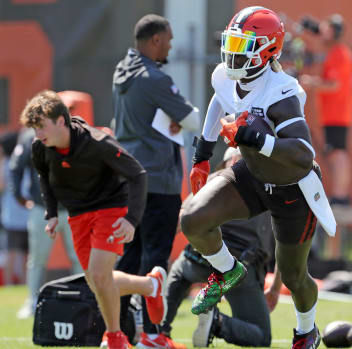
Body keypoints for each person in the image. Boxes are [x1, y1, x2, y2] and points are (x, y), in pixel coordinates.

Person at [181, 6, 336, 349]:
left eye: (244, 44)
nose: (234, 52)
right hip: (251, 175)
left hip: (292, 187)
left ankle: (306, 330)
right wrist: (202, 157)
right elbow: (218, 103)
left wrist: (254, 137)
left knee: (294, 277)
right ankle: (227, 270)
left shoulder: (282, 91)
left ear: (268, 50)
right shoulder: (224, 75)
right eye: (233, 42)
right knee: (192, 219)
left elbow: (302, 152)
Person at [23, 90, 167, 349]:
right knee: (96, 281)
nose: (38, 135)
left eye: (41, 127)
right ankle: (150, 285)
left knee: (100, 276)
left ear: (60, 121)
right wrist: (52, 213)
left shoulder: (97, 142)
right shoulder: (40, 147)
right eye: (34, 129)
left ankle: (114, 337)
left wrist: (132, 220)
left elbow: (138, 174)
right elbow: (44, 176)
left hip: (109, 208)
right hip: (78, 215)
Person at [112, 13, 201, 346]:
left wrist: (167, 117)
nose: (171, 45)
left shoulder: (121, 72)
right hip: (158, 180)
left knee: (129, 257)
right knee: (155, 258)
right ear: (155, 41)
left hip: (127, 179)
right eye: (168, 39)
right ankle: (152, 334)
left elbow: (142, 116)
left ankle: (117, 331)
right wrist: (178, 117)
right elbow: (193, 119)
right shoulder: (155, 79)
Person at [160, 147, 282, 349]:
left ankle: (157, 328)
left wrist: (154, 252)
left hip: (198, 260)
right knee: (261, 337)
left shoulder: (213, 180)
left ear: (231, 160)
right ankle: (218, 322)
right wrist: (276, 289)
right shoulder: (272, 189)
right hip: (240, 269)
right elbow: (284, 247)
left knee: (181, 268)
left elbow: (183, 217)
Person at [9, 127, 83, 319]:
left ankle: (85, 299)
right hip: (42, 207)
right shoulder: (29, 137)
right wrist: (19, 195)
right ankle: (32, 301)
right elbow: (16, 166)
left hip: (71, 208)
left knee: (79, 257)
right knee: (38, 258)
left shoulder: (73, 132)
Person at [300, 14, 352, 205]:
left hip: (337, 113)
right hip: (333, 114)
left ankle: (341, 195)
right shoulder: (335, 51)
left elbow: (334, 84)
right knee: (336, 153)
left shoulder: (339, 53)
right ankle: (340, 194)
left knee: (338, 154)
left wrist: (311, 83)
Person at [0, 132, 28, 286]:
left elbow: (2, 185)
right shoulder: (24, 160)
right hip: (26, 214)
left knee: (12, 252)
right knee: (25, 254)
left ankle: (10, 284)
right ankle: (23, 283)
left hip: (12, 217)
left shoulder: (6, 163)